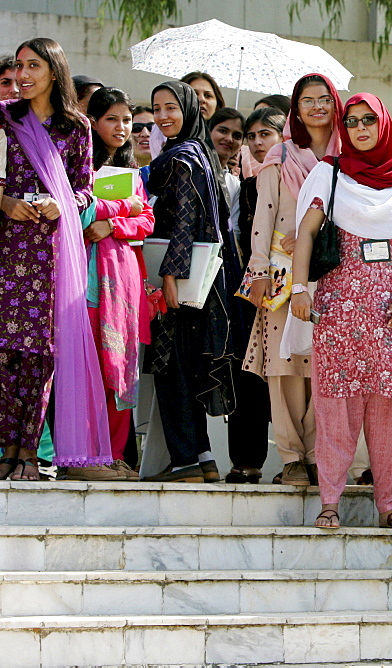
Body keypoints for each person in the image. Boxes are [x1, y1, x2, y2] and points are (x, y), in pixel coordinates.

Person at [289, 92, 392, 530]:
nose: (359, 129)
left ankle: (389, 506)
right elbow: (306, 235)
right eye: (351, 121)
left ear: (383, 125)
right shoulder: (330, 174)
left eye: (367, 121)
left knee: (388, 415)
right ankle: (330, 502)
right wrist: (300, 288)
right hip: (339, 313)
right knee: (335, 410)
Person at [0, 37, 111, 480]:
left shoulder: (76, 127)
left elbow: (85, 188)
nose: (23, 76)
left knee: (42, 350)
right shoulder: (6, 118)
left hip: (50, 250)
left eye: (32, 67)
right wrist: (5, 203)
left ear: (53, 70)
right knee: (7, 350)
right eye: (19, 67)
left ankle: (30, 450)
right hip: (9, 246)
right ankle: (7, 446)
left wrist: (61, 203)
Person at [244, 74, 342, 487]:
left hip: (335, 275)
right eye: (308, 100)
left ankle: (321, 455)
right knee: (283, 367)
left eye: (324, 99)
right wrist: (259, 270)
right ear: (295, 108)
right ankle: (291, 457)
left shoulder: (349, 156)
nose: (317, 107)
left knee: (325, 366)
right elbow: (263, 217)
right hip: (283, 276)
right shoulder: (281, 155)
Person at [143, 80, 237, 483]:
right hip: (203, 282)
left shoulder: (182, 158)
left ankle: (184, 461)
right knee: (188, 364)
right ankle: (202, 456)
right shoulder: (200, 153)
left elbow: (184, 222)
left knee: (171, 366)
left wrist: (169, 277)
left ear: (188, 110)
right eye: (157, 108)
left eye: (171, 108)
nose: (164, 116)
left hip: (178, 279)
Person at [68, 87, 155, 482]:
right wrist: (119, 208)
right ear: (93, 122)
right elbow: (77, 215)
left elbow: (146, 222)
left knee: (120, 369)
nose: (121, 128)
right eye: (112, 119)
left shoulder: (131, 173)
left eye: (127, 120)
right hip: (83, 283)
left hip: (122, 284)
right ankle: (86, 454)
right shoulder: (78, 168)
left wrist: (111, 223)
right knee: (90, 370)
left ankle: (114, 454)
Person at [225, 106, 286, 485]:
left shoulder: (302, 180)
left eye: (266, 134)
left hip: (291, 293)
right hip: (250, 292)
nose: (258, 142)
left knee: (288, 379)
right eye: (252, 136)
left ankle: (298, 460)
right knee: (247, 376)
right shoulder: (245, 187)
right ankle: (246, 460)